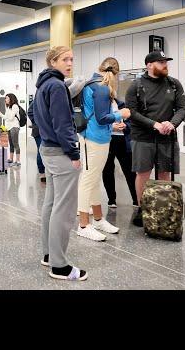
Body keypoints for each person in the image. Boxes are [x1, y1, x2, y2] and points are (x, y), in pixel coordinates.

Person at [32, 46, 87, 281]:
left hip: (47, 149)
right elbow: (63, 123)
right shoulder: (56, 86)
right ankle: (59, 265)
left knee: (52, 203)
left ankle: (48, 254)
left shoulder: (43, 85)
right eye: (65, 59)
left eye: (72, 59)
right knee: (64, 211)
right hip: (60, 153)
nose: (70, 63)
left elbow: (37, 117)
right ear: (52, 61)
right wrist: (74, 154)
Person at [125, 50, 185, 227]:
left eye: (166, 61)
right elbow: (132, 112)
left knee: (164, 173)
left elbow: (182, 108)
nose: (165, 65)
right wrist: (155, 124)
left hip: (167, 137)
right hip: (142, 137)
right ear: (149, 65)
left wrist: (172, 123)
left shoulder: (174, 84)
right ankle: (142, 207)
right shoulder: (136, 85)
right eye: (161, 62)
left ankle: (162, 206)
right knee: (143, 173)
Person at [76, 58, 130, 242]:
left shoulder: (92, 83)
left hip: (93, 136)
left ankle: (98, 219)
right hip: (95, 140)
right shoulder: (101, 88)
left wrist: (112, 127)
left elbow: (94, 116)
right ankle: (84, 225)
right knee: (88, 180)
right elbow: (101, 117)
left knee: (93, 180)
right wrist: (119, 115)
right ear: (116, 73)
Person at [102, 98, 138, 207]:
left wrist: (125, 126)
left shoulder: (121, 104)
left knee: (130, 171)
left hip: (122, 140)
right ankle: (111, 199)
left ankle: (136, 199)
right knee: (108, 170)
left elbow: (131, 121)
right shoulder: (101, 102)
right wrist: (111, 126)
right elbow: (98, 120)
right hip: (107, 140)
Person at [0, 93, 23, 166]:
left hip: (14, 127)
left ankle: (18, 160)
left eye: (6, 98)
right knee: (11, 144)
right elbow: (5, 117)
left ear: (11, 99)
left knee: (15, 143)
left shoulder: (15, 106)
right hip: (9, 127)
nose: (5, 100)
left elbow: (10, 118)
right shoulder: (8, 108)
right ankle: (11, 159)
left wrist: (8, 117)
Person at [27, 104, 45, 182]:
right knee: (40, 150)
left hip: (47, 130)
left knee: (44, 151)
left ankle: (46, 171)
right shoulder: (37, 100)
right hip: (38, 130)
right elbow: (30, 112)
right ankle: (42, 172)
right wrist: (37, 121)